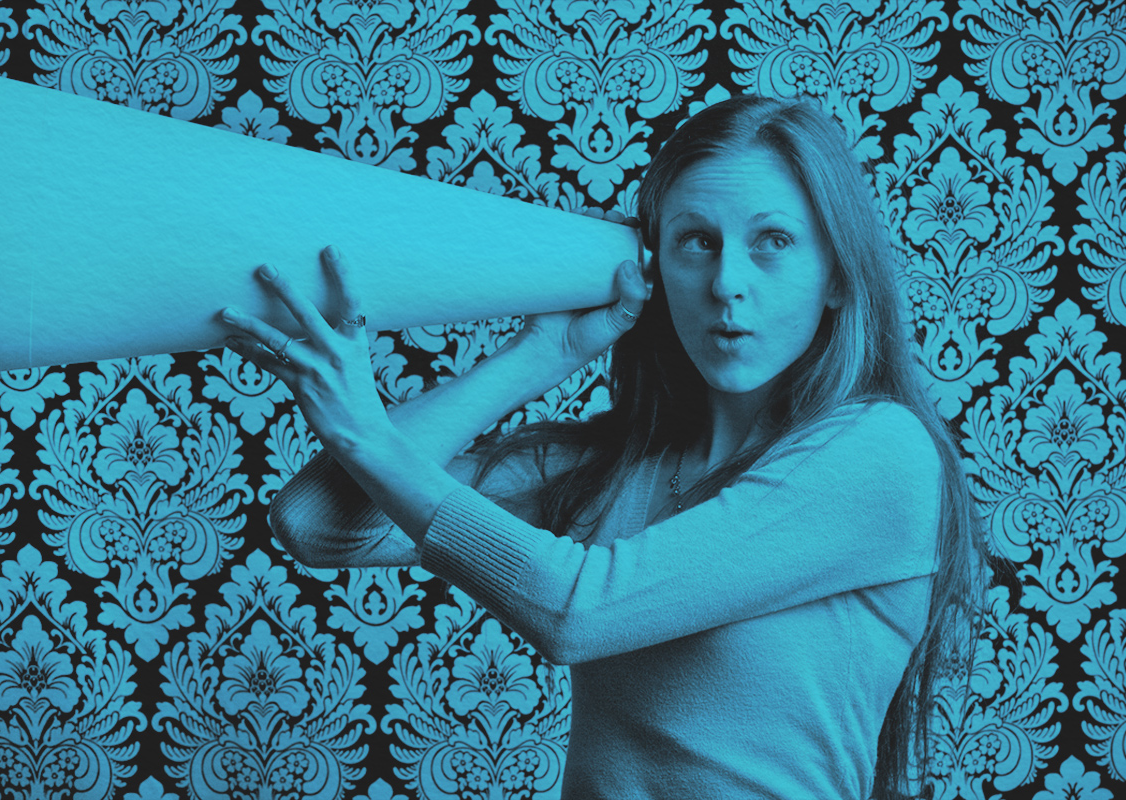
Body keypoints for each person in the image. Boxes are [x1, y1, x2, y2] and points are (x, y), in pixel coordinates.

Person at [218, 95, 989, 800]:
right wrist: (539, 354)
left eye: (773, 242)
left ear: (836, 279)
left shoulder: (879, 453)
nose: (727, 284)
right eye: (695, 242)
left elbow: (576, 611)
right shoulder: (618, 464)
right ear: (656, 268)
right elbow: (318, 522)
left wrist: (363, 430)